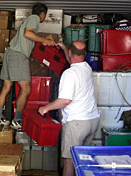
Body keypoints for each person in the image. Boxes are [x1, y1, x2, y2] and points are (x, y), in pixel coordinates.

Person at [38, 40, 100, 176]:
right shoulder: (87, 67)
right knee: (82, 159)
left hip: (77, 124)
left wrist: (45, 108)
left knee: (69, 161)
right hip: (92, 120)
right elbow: (73, 59)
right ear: (85, 54)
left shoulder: (69, 74)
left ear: (71, 53)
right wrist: (64, 48)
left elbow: (65, 100)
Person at [0, 3, 56, 130]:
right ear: (42, 14)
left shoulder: (27, 21)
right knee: (26, 88)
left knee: (6, 87)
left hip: (10, 54)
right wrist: (46, 40)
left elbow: (27, 36)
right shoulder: (34, 18)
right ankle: (17, 120)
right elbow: (28, 34)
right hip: (18, 56)